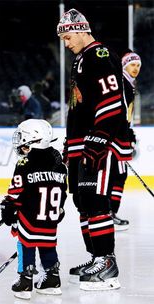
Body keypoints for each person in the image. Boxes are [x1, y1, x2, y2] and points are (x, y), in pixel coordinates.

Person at [57, 9, 133, 290]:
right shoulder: (81, 58)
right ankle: (95, 257)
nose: (66, 43)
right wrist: (70, 145)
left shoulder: (98, 55)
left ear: (81, 30)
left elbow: (112, 101)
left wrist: (100, 138)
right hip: (82, 143)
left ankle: (107, 262)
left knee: (96, 199)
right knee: (83, 201)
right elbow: (80, 108)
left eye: (67, 37)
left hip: (99, 143)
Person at [0, 119, 67, 300]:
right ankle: (52, 278)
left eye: (22, 139)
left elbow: (15, 192)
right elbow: (63, 194)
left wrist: (7, 207)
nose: (20, 144)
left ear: (33, 140)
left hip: (29, 217)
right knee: (47, 244)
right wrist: (59, 210)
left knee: (25, 242)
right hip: (50, 218)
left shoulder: (25, 164)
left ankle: (25, 281)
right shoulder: (60, 165)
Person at [109, 51, 142, 230]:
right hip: (115, 137)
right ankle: (109, 214)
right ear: (124, 66)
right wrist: (125, 135)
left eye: (138, 65)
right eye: (132, 65)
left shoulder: (129, 84)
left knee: (116, 175)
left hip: (118, 134)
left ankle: (109, 214)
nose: (135, 68)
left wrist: (128, 133)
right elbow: (119, 113)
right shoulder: (123, 84)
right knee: (118, 175)